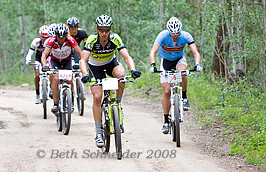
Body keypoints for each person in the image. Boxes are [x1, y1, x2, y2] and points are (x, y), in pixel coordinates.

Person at [79, 14, 141, 148]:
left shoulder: (115, 38)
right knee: (97, 97)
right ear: (97, 29)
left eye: (107, 30)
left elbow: (126, 56)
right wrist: (85, 74)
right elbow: (83, 60)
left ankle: (117, 103)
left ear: (110, 30)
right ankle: (98, 132)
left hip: (110, 63)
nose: (104, 33)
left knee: (122, 75)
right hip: (95, 67)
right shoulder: (91, 39)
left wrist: (133, 69)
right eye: (101, 30)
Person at [149, 16, 202, 134]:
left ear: (180, 31)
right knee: (167, 91)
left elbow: (195, 52)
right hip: (165, 62)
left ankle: (184, 96)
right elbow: (153, 51)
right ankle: (166, 120)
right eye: (172, 34)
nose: (175, 36)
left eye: (177, 33)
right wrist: (153, 65)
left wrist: (197, 63)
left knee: (183, 72)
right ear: (168, 31)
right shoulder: (162, 35)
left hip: (179, 60)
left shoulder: (186, 36)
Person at [41, 23, 82, 114]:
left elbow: (80, 53)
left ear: (66, 36)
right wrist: (44, 65)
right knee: (55, 79)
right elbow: (44, 55)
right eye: (59, 37)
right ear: (56, 36)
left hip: (66, 61)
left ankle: (70, 101)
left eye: (63, 37)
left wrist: (82, 63)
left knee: (69, 80)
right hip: (55, 61)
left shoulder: (70, 39)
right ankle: (55, 104)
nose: (61, 39)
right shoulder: (51, 40)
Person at [25, 25, 49, 104]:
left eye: (46, 38)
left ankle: (51, 90)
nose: (44, 40)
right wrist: (28, 59)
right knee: (38, 75)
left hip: (47, 59)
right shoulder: (36, 42)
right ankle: (37, 93)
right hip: (38, 59)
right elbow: (30, 53)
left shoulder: (51, 42)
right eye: (43, 38)